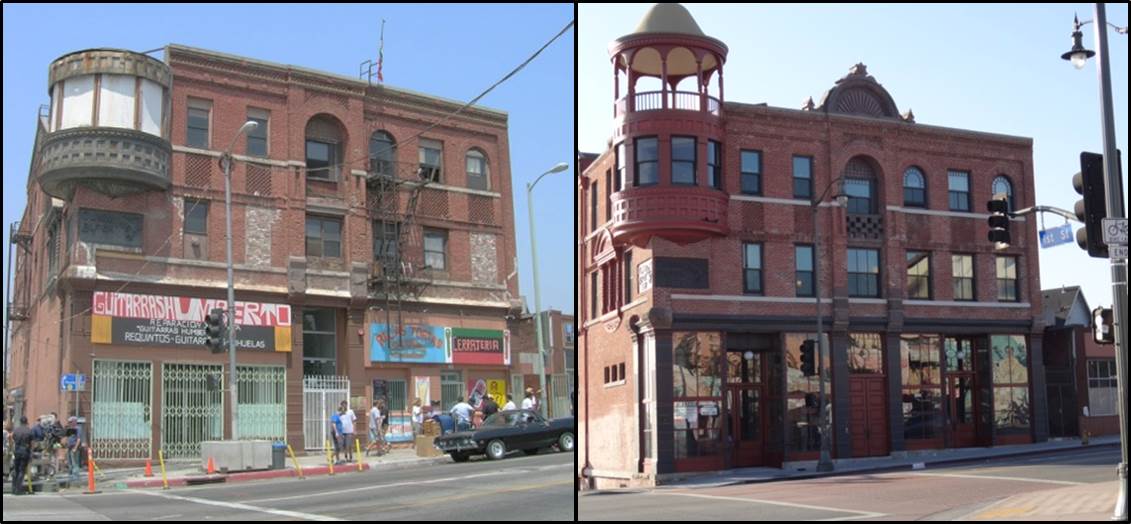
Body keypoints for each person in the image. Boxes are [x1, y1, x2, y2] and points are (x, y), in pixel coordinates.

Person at [11, 416, 34, 495]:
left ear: (20, 421)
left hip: (17, 451)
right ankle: (18, 489)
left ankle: (13, 488)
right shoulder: (29, 430)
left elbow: (13, 439)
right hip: (25, 451)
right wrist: (31, 453)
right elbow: (31, 443)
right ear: (26, 422)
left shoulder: (16, 430)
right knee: (21, 470)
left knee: (16, 469)